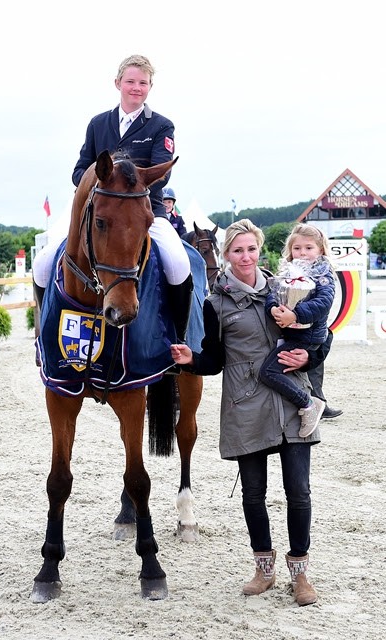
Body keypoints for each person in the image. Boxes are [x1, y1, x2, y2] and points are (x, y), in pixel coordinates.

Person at [171, 219, 331, 606]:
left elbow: (322, 333)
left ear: (260, 251)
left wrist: (311, 355)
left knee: (299, 492)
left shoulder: (287, 288)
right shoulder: (215, 303)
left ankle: (300, 573)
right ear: (226, 255)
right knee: (253, 494)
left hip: (294, 401)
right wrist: (193, 359)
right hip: (245, 405)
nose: (246, 256)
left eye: (252, 249)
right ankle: (264, 569)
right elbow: (215, 359)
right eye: (238, 250)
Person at [33, 54, 192, 345]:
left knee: (178, 263)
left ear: (150, 87)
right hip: (95, 210)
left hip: (144, 211)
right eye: (130, 81)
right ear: (118, 83)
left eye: (143, 82)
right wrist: (97, 179)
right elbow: (80, 168)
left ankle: (178, 339)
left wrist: (130, 182)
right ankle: (44, 337)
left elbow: (163, 173)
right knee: (43, 263)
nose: (136, 87)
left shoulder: (161, 126)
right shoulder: (98, 124)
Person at [259, 224, 336, 438]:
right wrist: (273, 308)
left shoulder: (323, 274)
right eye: (297, 248)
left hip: (306, 337)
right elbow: (274, 293)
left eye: (309, 248)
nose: (302, 253)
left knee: (269, 371)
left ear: (321, 250)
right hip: (292, 333)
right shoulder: (288, 271)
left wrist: (295, 315)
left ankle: (309, 404)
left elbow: (323, 302)